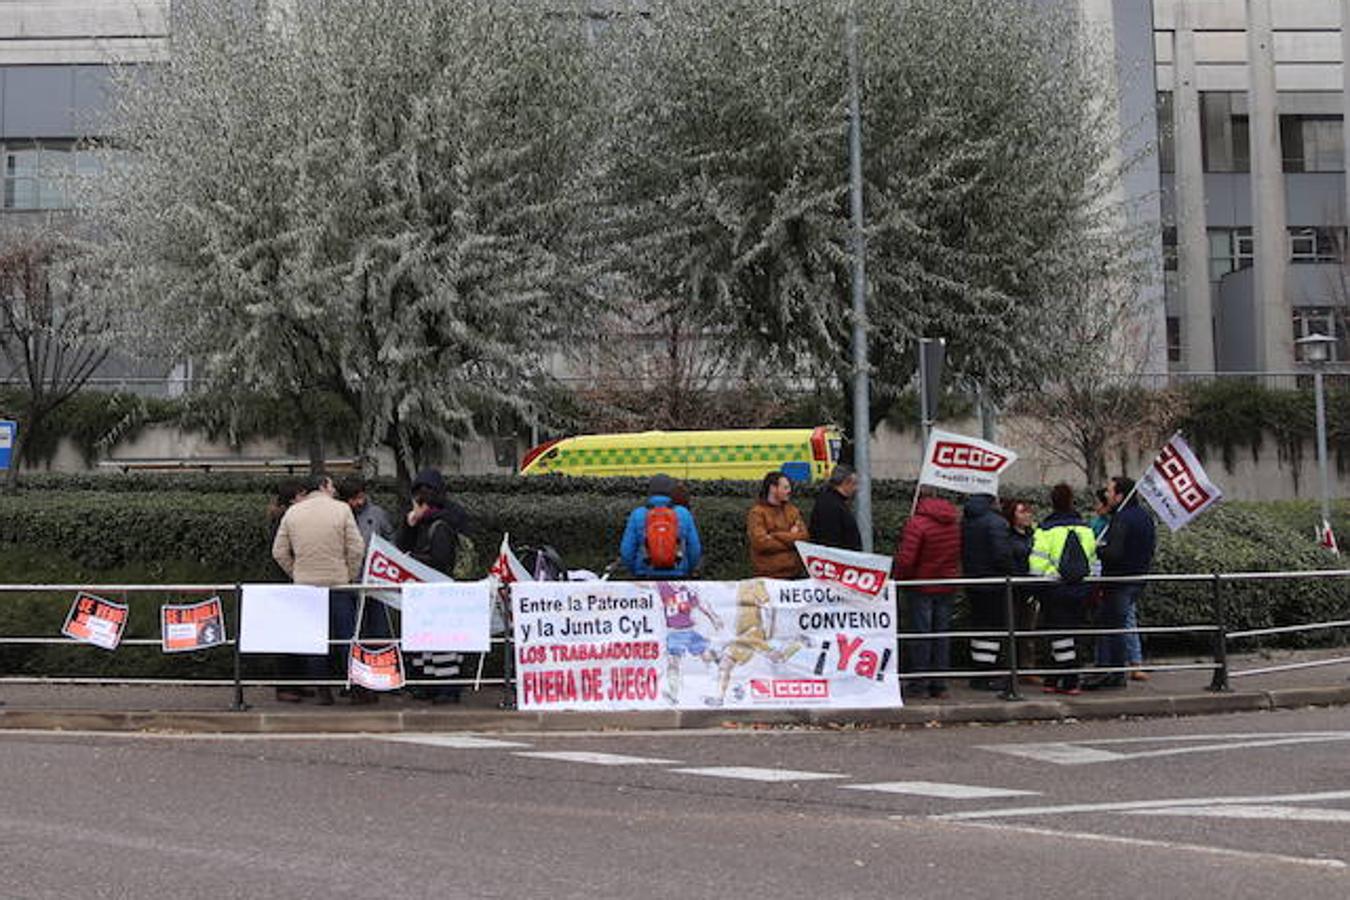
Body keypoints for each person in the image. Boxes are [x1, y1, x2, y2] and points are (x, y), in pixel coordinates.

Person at [271, 473, 366, 705]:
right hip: (337, 582)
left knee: (314, 637)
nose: (334, 489)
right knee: (345, 636)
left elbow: (279, 551)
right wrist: (350, 574)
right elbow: (356, 548)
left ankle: (322, 688)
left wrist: (296, 572)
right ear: (323, 486)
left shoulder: (293, 513)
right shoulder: (341, 510)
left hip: (306, 585)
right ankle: (353, 686)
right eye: (331, 485)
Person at [396, 468, 470, 703]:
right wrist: (410, 524)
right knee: (426, 639)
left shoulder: (442, 522)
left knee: (441, 641)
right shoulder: (422, 520)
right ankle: (430, 684)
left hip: (440, 589)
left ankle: (446, 688)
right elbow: (402, 544)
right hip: (427, 590)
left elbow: (440, 559)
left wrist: (412, 560)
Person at [1087, 475, 1156, 690]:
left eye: (1109, 491)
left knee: (1111, 627)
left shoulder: (1122, 519)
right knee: (1117, 624)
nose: (1106, 495)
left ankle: (1112, 673)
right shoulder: (1144, 517)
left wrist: (1097, 549)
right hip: (1137, 578)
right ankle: (1112, 671)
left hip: (1118, 581)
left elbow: (1114, 553)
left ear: (1120, 495)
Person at [1028, 484, 1097, 695]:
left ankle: (1068, 680)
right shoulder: (1086, 529)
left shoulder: (1045, 530)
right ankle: (1060, 677)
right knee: (1073, 633)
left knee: (1057, 635)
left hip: (1054, 589)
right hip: (1080, 588)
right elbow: (1093, 561)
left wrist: (1035, 589)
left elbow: (1037, 565)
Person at [893, 486, 961, 699]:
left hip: (921, 585)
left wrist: (900, 579)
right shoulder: (953, 522)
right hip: (946, 584)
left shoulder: (917, 523)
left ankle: (919, 683)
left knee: (921, 634)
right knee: (941, 634)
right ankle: (939, 683)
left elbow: (906, 559)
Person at [961, 492, 1013, 691]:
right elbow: (1002, 555)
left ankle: (979, 672)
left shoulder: (967, 520)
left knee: (979, 627)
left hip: (973, 580)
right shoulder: (996, 523)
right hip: (993, 582)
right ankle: (987, 674)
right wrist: (1010, 570)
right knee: (992, 629)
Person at [620, 474, 703, 578]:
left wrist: (636, 570)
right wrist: (686, 570)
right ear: (671, 491)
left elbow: (627, 551)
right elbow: (694, 549)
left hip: (645, 575)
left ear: (649, 492)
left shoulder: (638, 514)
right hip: (677, 575)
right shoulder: (683, 513)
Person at [1002, 497, 1040, 684]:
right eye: (1021, 512)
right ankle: (1012, 669)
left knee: (1028, 629)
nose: (1026, 515)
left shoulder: (1034, 535)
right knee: (1014, 628)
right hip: (1015, 588)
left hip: (1030, 588)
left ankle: (1027, 667)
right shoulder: (1008, 537)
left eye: (1028, 512)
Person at [747, 471, 809, 578]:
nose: (789, 491)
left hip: (795, 574)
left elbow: (804, 537)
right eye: (785, 488)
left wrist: (776, 535)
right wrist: (791, 537)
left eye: (789, 487)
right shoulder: (757, 513)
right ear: (772, 488)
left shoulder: (792, 510)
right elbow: (761, 544)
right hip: (769, 577)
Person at [808, 464, 862, 551]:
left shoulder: (829, 500)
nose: (856, 488)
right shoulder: (832, 505)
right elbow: (830, 540)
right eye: (854, 484)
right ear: (845, 482)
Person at [338, 475, 394, 549]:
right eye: (354, 499)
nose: (360, 502)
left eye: (361, 497)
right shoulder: (339, 515)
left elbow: (391, 540)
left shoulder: (377, 513)